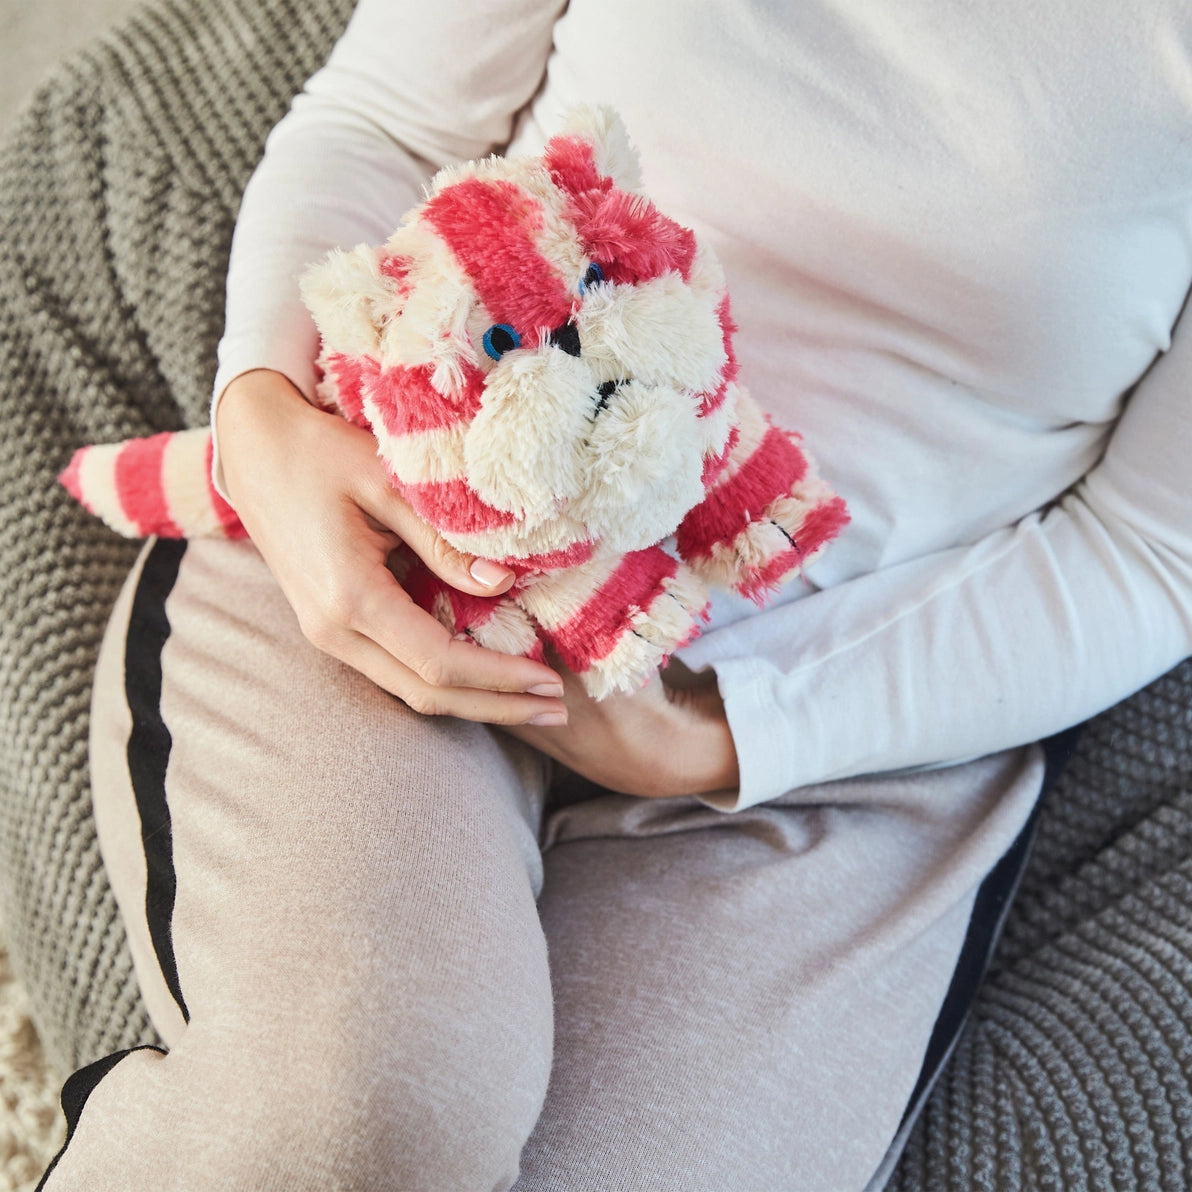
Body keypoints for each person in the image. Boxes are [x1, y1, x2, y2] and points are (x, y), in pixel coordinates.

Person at [38, 0, 1192, 1188]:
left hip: (839, 733)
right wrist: (264, 418)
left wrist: (727, 734)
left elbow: (1150, 552)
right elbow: (381, 117)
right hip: (407, 535)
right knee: (361, 1111)